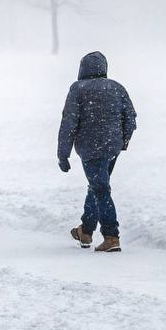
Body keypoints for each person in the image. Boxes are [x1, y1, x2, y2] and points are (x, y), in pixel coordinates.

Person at [57, 50, 137, 253]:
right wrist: (122, 142)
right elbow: (130, 118)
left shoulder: (78, 89)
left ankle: (111, 236)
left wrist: (63, 154)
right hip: (112, 147)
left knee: (100, 188)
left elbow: (69, 122)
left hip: (90, 148)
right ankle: (86, 230)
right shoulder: (117, 87)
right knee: (97, 185)